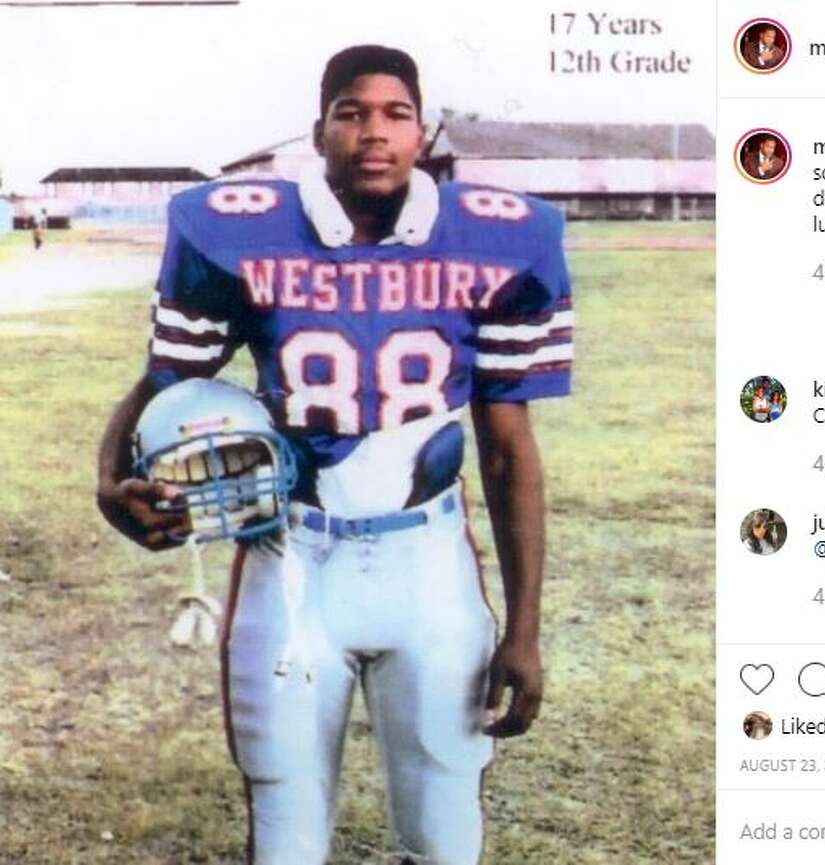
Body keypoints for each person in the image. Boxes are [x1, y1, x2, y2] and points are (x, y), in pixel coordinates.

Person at [95, 44, 572, 865]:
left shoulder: (503, 240)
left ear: (424, 132)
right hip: (291, 560)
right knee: (285, 826)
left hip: (429, 563)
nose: (373, 133)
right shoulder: (236, 231)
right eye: (351, 113)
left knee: (445, 828)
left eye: (395, 114)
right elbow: (162, 384)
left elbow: (506, 450)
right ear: (319, 132)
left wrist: (525, 629)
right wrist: (111, 482)